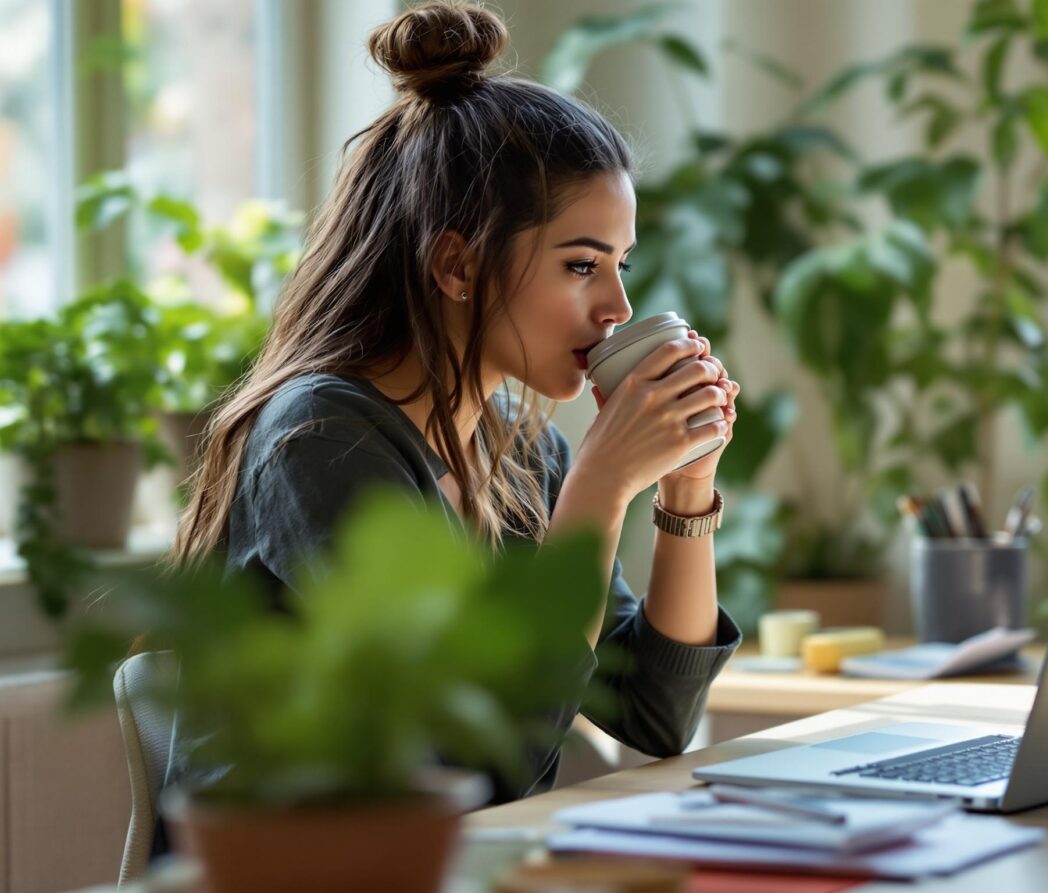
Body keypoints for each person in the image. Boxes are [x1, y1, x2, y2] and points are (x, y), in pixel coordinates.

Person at [171, 0, 742, 806]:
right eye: (582, 265)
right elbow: (480, 766)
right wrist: (603, 490)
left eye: (621, 263)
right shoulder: (319, 439)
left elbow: (654, 711)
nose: (617, 305)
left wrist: (687, 488)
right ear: (457, 266)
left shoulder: (522, 452)